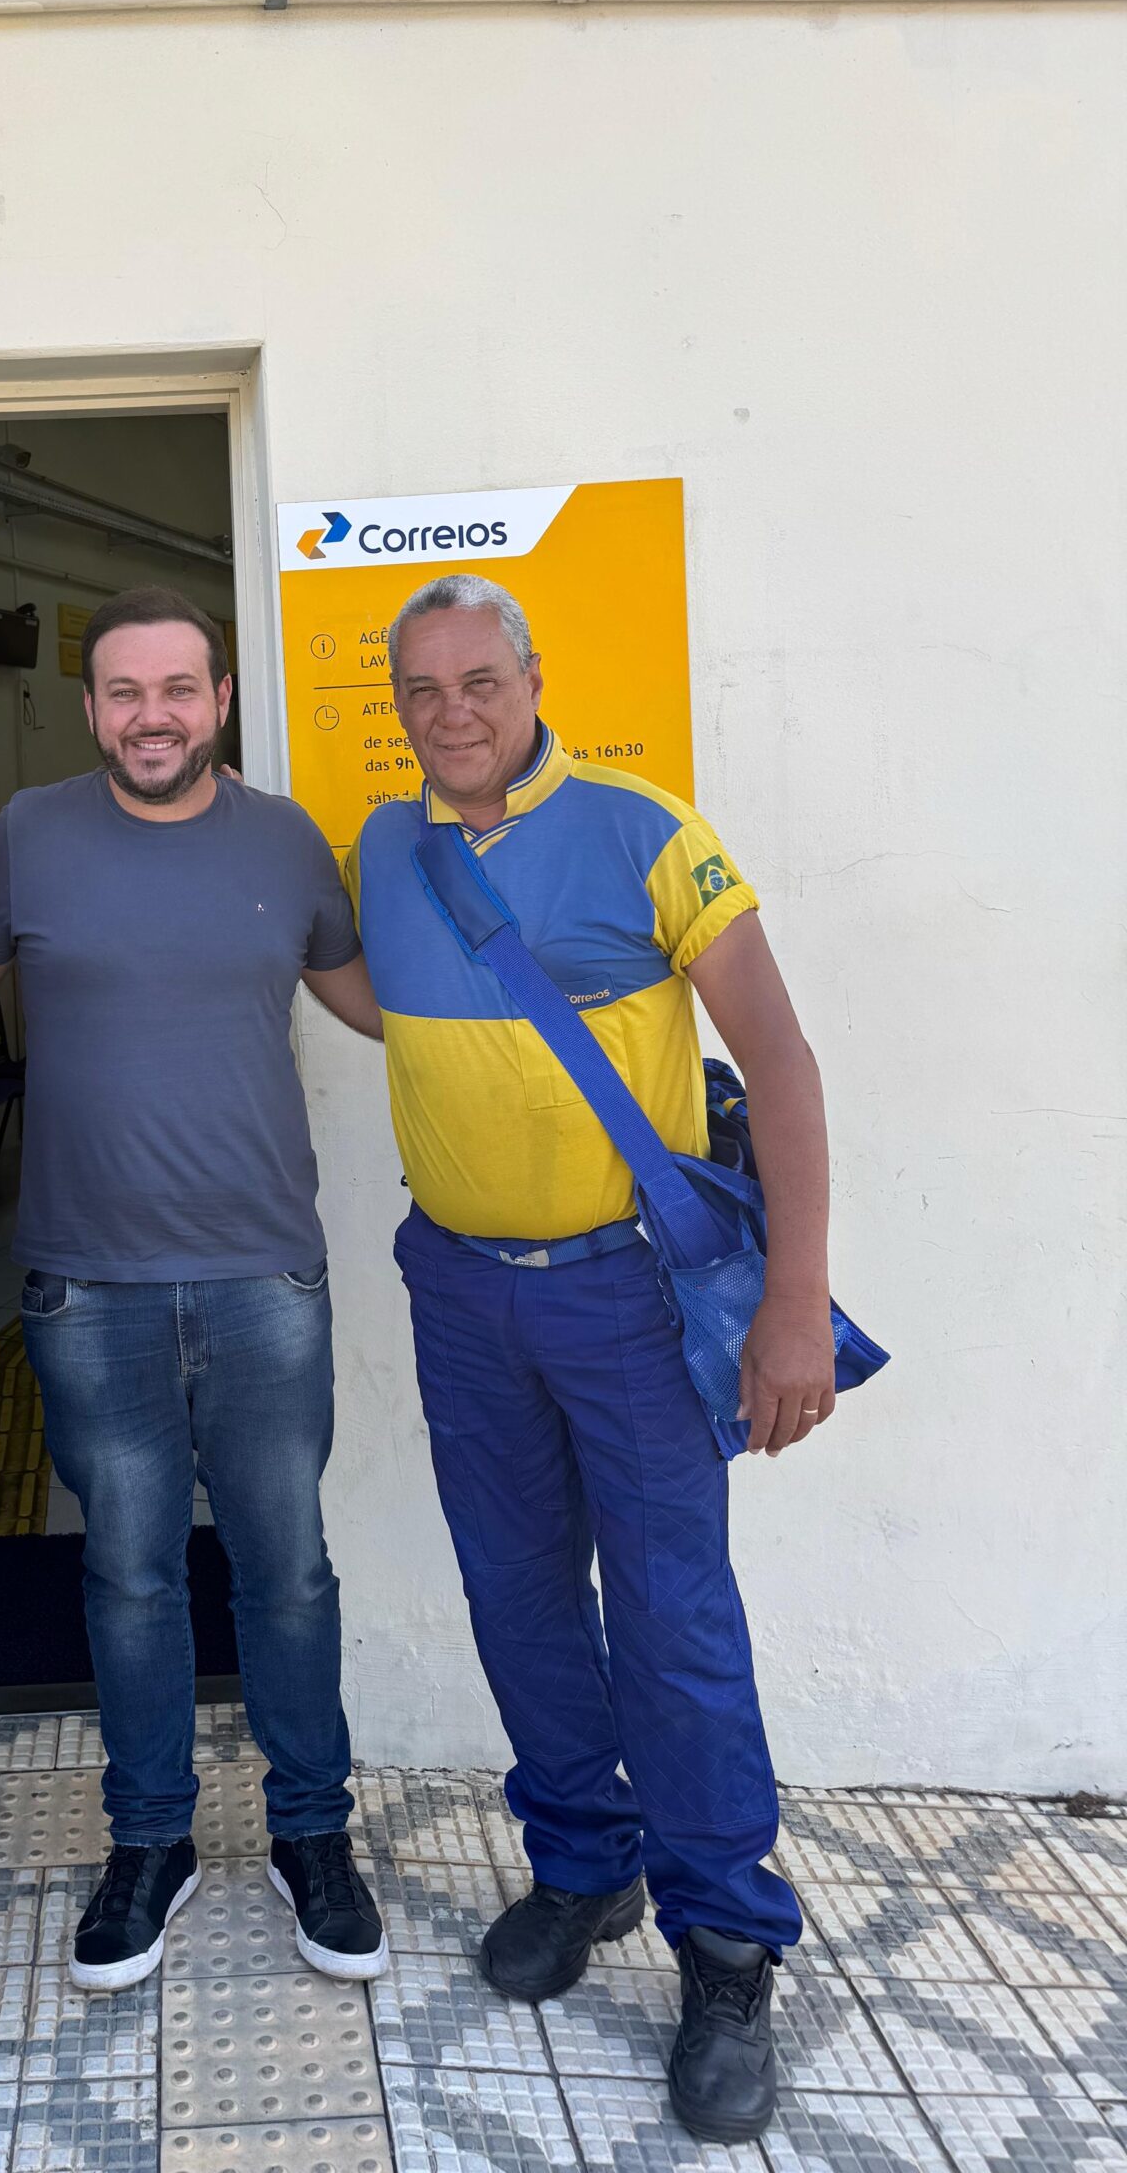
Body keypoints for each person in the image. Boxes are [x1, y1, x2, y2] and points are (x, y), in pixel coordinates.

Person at [347, 572, 832, 2145]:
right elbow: (389, 1004)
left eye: (479, 681)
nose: (453, 714)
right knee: (519, 1594)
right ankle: (582, 1863)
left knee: (673, 1616)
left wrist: (796, 1298)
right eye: (423, 691)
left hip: (628, 1295)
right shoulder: (385, 848)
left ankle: (727, 1946)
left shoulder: (644, 829)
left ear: (533, 676)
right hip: (458, 1289)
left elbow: (781, 1060)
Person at [0, 586, 390, 1993]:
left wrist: (558, 999)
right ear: (92, 708)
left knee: (288, 1575)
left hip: (264, 1275)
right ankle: (150, 1842)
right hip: (89, 1290)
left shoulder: (288, 841)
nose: (154, 716)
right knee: (129, 1578)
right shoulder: (29, 835)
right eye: (126, 691)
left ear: (221, 702)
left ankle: (311, 1833)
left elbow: (378, 1001)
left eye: (179, 689)